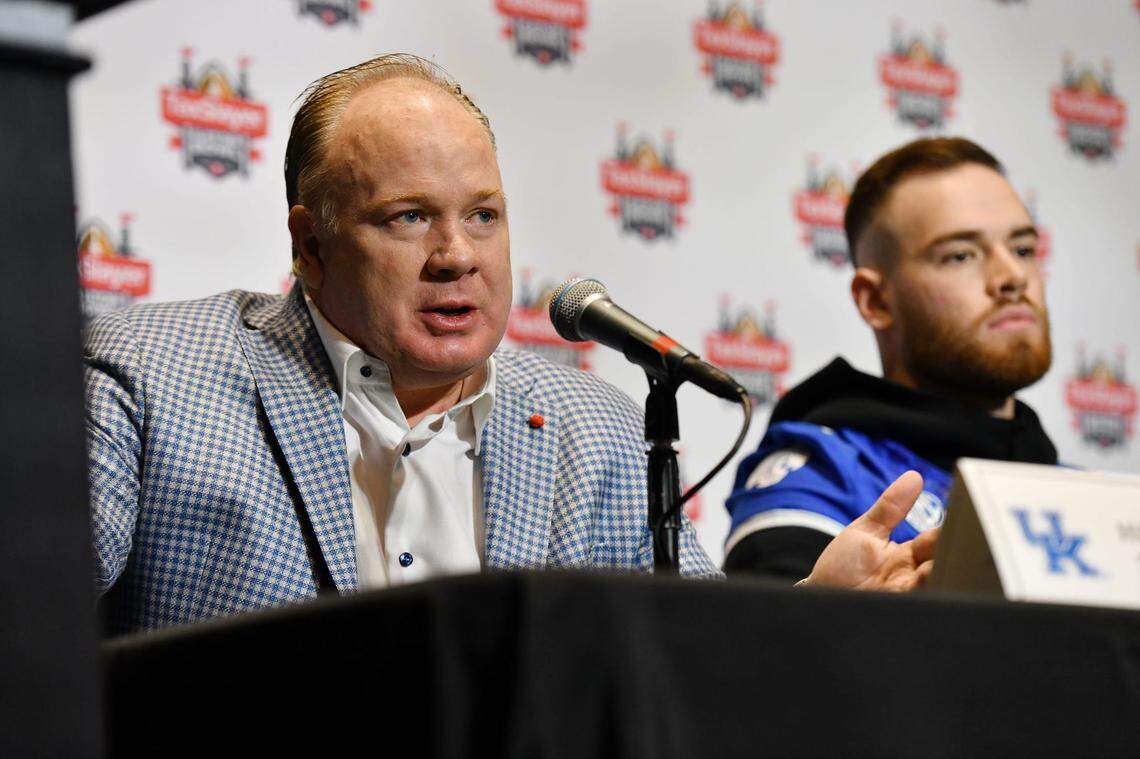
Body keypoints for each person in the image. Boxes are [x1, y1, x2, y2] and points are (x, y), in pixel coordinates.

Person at [86, 54, 931, 635]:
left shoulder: (593, 430)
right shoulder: (151, 375)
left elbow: (690, 671)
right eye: (409, 217)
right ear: (311, 245)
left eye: (482, 215)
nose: (458, 255)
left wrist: (818, 610)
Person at [723, 137, 1058, 582]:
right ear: (876, 300)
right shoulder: (820, 476)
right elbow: (760, 645)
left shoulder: (1080, 489)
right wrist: (824, 608)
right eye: (961, 255)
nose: (1013, 277)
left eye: (1022, 249)